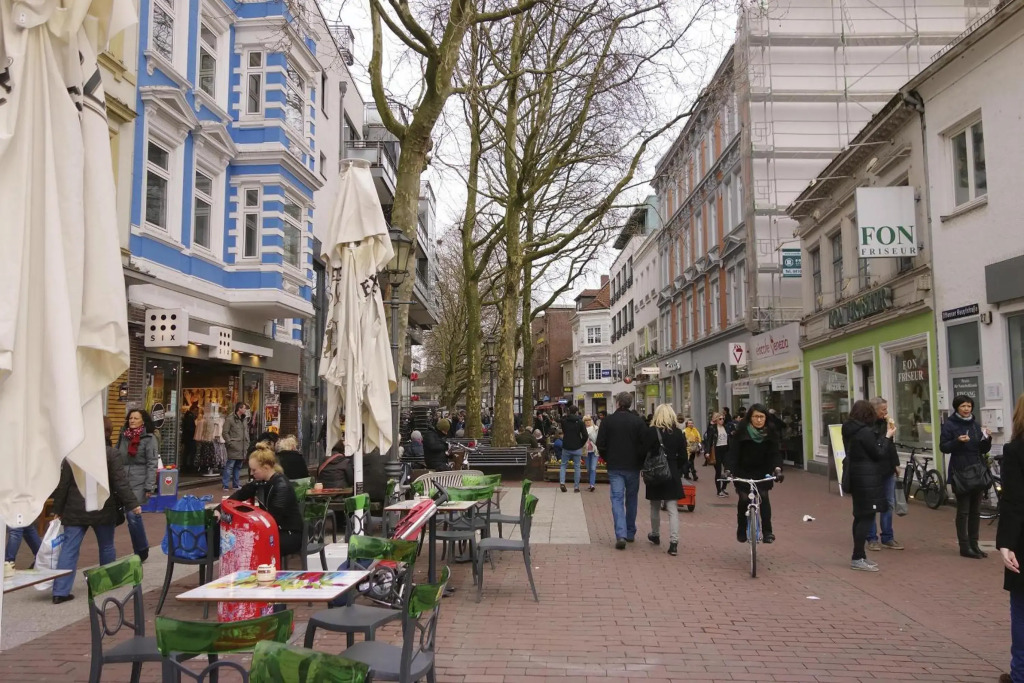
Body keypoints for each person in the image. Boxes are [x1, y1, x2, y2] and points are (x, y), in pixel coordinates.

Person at [51, 417, 141, 603]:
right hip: (102, 506)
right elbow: (120, 482)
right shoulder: (110, 454)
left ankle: (60, 591)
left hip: (75, 508)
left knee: (69, 548)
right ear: (107, 433)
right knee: (106, 545)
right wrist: (132, 504)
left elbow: (64, 484)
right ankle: (106, 584)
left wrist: (58, 508)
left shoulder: (74, 454)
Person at [843, 400, 896, 572]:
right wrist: (887, 437)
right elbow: (878, 453)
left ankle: (860, 556)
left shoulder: (849, 429)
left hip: (855, 476)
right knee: (866, 517)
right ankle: (857, 557)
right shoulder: (864, 432)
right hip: (867, 478)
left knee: (859, 516)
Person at [940, 394, 993, 559]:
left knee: (975, 511)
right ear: (957, 407)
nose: (966, 409)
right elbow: (944, 447)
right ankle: (964, 547)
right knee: (963, 511)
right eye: (963, 406)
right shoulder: (949, 425)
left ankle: (974, 544)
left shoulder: (975, 425)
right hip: (960, 471)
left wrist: (987, 438)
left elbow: (982, 449)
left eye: (969, 406)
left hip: (976, 471)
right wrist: (958, 441)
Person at [595, 392, 650, 550]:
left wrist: (607, 458)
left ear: (618, 403)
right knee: (631, 499)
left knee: (617, 499)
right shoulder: (638, 422)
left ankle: (621, 533)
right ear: (630, 403)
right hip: (633, 466)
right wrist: (639, 460)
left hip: (615, 466)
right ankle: (630, 531)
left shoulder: (608, 421)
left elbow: (601, 443)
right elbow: (644, 444)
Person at [228, 445, 303, 556]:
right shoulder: (261, 481)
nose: (251, 473)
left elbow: (273, 518)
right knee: (241, 541)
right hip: (275, 530)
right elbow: (239, 495)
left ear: (266, 468)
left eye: (254, 470)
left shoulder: (281, 486)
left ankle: (260, 571)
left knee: (248, 544)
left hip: (289, 534)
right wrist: (219, 509)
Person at [724, 404, 783, 544]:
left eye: (762, 417)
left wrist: (777, 469)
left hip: (763, 471)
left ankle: (768, 532)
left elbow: (775, 454)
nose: (759, 420)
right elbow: (733, 453)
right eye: (756, 416)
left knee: (763, 497)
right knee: (744, 499)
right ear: (750, 418)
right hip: (743, 470)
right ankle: (741, 529)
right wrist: (728, 470)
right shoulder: (741, 433)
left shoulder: (770, 433)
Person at [996, 394, 1024, 683]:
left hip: (1023, 539)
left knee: (1022, 610)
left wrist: (1006, 543)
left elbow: (1014, 502)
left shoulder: (1016, 451)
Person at [117, 409, 158, 561]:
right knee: (125, 516)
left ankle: (141, 551)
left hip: (139, 482)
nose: (132, 420)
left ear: (143, 421)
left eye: (136, 418)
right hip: (122, 481)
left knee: (132, 515)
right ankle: (140, 548)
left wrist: (149, 486)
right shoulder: (123, 436)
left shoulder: (149, 438)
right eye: (130, 418)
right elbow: (116, 455)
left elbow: (152, 463)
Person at [646, 404, 687, 556]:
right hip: (672, 471)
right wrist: (677, 468)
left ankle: (655, 534)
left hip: (655, 471)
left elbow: (644, 451)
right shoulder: (677, 433)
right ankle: (674, 542)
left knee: (654, 505)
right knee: (672, 508)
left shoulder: (651, 432)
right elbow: (684, 456)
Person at [865, 397, 903, 551]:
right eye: (883, 410)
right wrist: (887, 435)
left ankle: (888, 537)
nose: (886, 412)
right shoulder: (867, 427)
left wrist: (895, 464)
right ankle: (872, 538)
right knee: (872, 504)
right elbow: (876, 448)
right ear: (874, 410)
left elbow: (890, 446)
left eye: (886, 409)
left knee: (888, 503)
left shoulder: (885, 424)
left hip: (887, 469)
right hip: (873, 470)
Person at [559, 405, 589, 493]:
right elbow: (585, 435)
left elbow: (564, 431)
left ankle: (562, 482)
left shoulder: (564, 421)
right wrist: (580, 444)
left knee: (563, 465)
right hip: (577, 447)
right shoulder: (580, 422)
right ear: (576, 412)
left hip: (566, 446)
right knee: (577, 467)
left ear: (568, 411)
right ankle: (576, 487)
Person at [223, 402, 250, 490]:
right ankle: (225, 485)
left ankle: (236, 484)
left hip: (242, 447)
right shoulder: (230, 419)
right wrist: (229, 442)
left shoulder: (244, 419)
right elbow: (225, 432)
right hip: (234, 446)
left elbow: (246, 432)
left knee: (238, 467)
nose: (245, 410)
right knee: (230, 466)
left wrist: (247, 442)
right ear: (239, 409)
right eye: (244, 408)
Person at [704, 412, 730, 497]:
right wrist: (707, 452)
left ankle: (724, 488)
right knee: (718, 471)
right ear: (716, 420)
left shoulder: (726, 427)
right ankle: (719, 491)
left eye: (723, 418)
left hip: (725, 450)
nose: (722, 420)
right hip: (716, 450)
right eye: (720, 419)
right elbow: (709, 441)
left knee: (728, 470)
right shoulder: (712, 428)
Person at [181, 402, 199, 471]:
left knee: (187, 451)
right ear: (193, 410)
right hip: (190, 437)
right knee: (191, 451)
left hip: (188, 437)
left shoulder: (188, 416)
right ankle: (189, 466)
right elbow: (189, 428)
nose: (197, 413)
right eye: (196, 411)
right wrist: (195, 431)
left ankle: (187, 465)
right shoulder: (189, 417)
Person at [584, 415, 599, 492]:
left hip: (594, 450)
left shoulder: (595, 428)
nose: (588, 422)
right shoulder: (582, 429)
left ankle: (592, 484)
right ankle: (591, 483)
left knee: (593, 468)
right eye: (586, 421)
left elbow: (598, 438)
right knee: (589, 469)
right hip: (586, 451)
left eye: (589, 420)